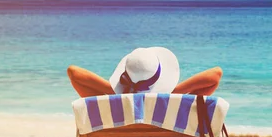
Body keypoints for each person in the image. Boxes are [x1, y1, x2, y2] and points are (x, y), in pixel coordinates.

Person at [67, 46, 223, 98]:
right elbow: (216, 75)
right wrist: (173, 92)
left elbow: (73, 72)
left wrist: (115, 92)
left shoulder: (110, 108)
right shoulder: (178, 108)